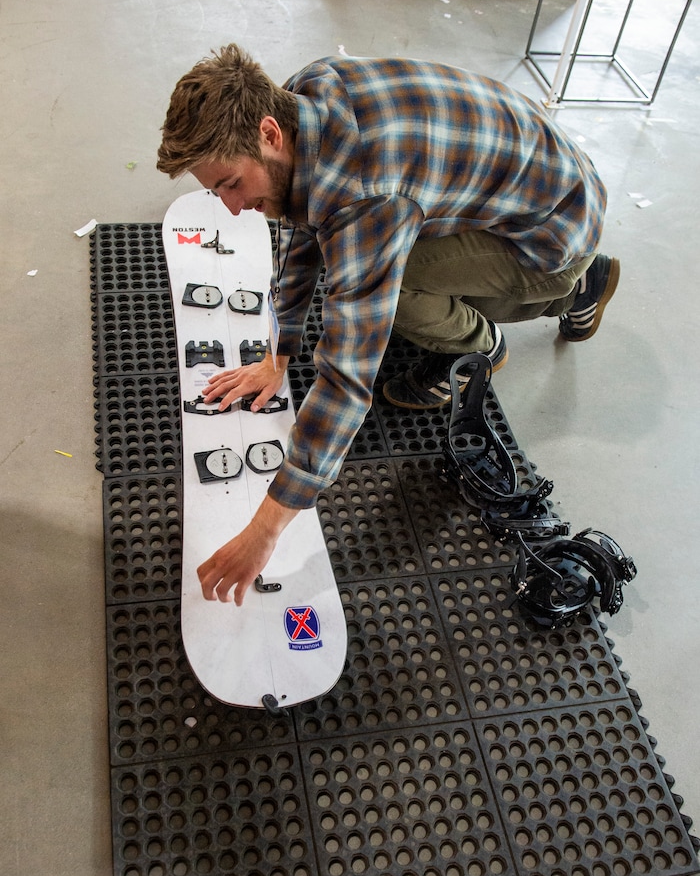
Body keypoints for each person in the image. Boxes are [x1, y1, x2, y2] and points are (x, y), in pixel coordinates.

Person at [157, 44, 619, 605]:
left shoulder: (365, 195)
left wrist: (265, 529)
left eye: (231, 184)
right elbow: (306, 224)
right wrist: (277, 354)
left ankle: (503, 332)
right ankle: (570, 284)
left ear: (270, 133)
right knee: (366, 259)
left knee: (394, 294)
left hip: (552, 231)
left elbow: (349, 376)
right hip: (537, 177)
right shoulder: (307, 94)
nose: (231, 208)